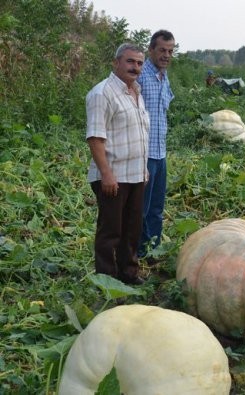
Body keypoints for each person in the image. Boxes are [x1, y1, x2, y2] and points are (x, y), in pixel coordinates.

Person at [86, 43, 149, 285]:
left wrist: (143, 170)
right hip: (113, 175)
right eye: (130, 61)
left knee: (132, 229)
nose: (136, 67)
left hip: (135, 174)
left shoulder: (136, 92)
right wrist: (106, 174)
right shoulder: (102, 93)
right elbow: (95, 137)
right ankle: (106, 279)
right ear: (116, 63)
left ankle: (128, 273)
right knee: (111, 230)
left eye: (140, 63)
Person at [138, 30, 175, 261]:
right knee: (140, 208)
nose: (166, 55)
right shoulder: (140, 76)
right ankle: (139, 252)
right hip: (143, 154)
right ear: (151, 50)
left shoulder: (164, 76)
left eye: (170, 51)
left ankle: (154, 249)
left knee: (156, 209)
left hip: (160, 153)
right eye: (162, 50)